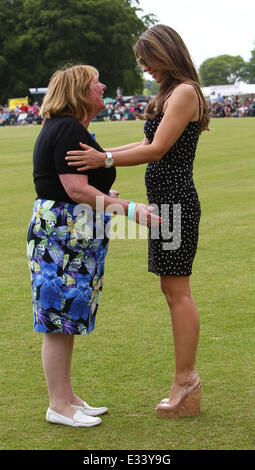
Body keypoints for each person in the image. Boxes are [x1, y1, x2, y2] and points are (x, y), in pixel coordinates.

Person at [65, 25, 210, 418]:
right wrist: (102, 152)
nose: (143, 66)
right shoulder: (170, 92)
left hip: (176, 203)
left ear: (165, 53)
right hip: (166, 203)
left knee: (178, 293)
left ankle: (186, 381)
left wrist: (104, 159)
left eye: (147, 59)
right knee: (172, 290)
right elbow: (145, 143)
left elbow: (158, 149)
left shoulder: (183, 92)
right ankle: (185, 380)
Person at [27, 64, 161, 428]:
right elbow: (74, 189)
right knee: (57, 320)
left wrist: (104, 196)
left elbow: (78, 186)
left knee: (67, 317)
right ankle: (58, 404)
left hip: (72, 229)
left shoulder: (72, 127)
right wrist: (132, 209)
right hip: (62, 233)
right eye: (95, 82)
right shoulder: (68, 127)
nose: (103, 86)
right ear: (80, 91)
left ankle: (68, 398)